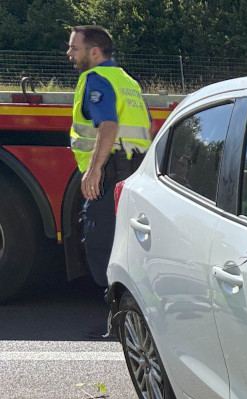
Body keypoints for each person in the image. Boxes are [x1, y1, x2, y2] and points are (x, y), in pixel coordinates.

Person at [67, 25, 152, 294]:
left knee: (102, 243)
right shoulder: (127, 81)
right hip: (133, 171)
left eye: (74, 48)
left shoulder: (96, 79)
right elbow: (148, 125)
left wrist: (93, 170)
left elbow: (108, 125)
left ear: (94, 52)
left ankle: (114, 320)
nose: (69, 53)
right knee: (129, 246)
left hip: (112, 174)